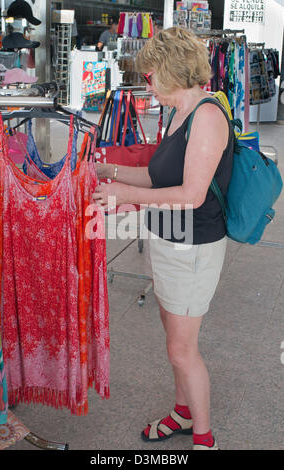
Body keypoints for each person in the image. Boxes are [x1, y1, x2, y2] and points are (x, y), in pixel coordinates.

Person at [93, 27, 234, 450]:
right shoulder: (177, 113)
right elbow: (158, 175)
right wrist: (109, 173)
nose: (148, 84)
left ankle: (204, 438)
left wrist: (125, 195)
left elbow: (191, 195)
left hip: (193, 247)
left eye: (151, 76)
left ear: (171, 70)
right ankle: (183, 411)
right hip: (169, 240)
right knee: (173, 338)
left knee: (182, 349)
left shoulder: (207, 116)